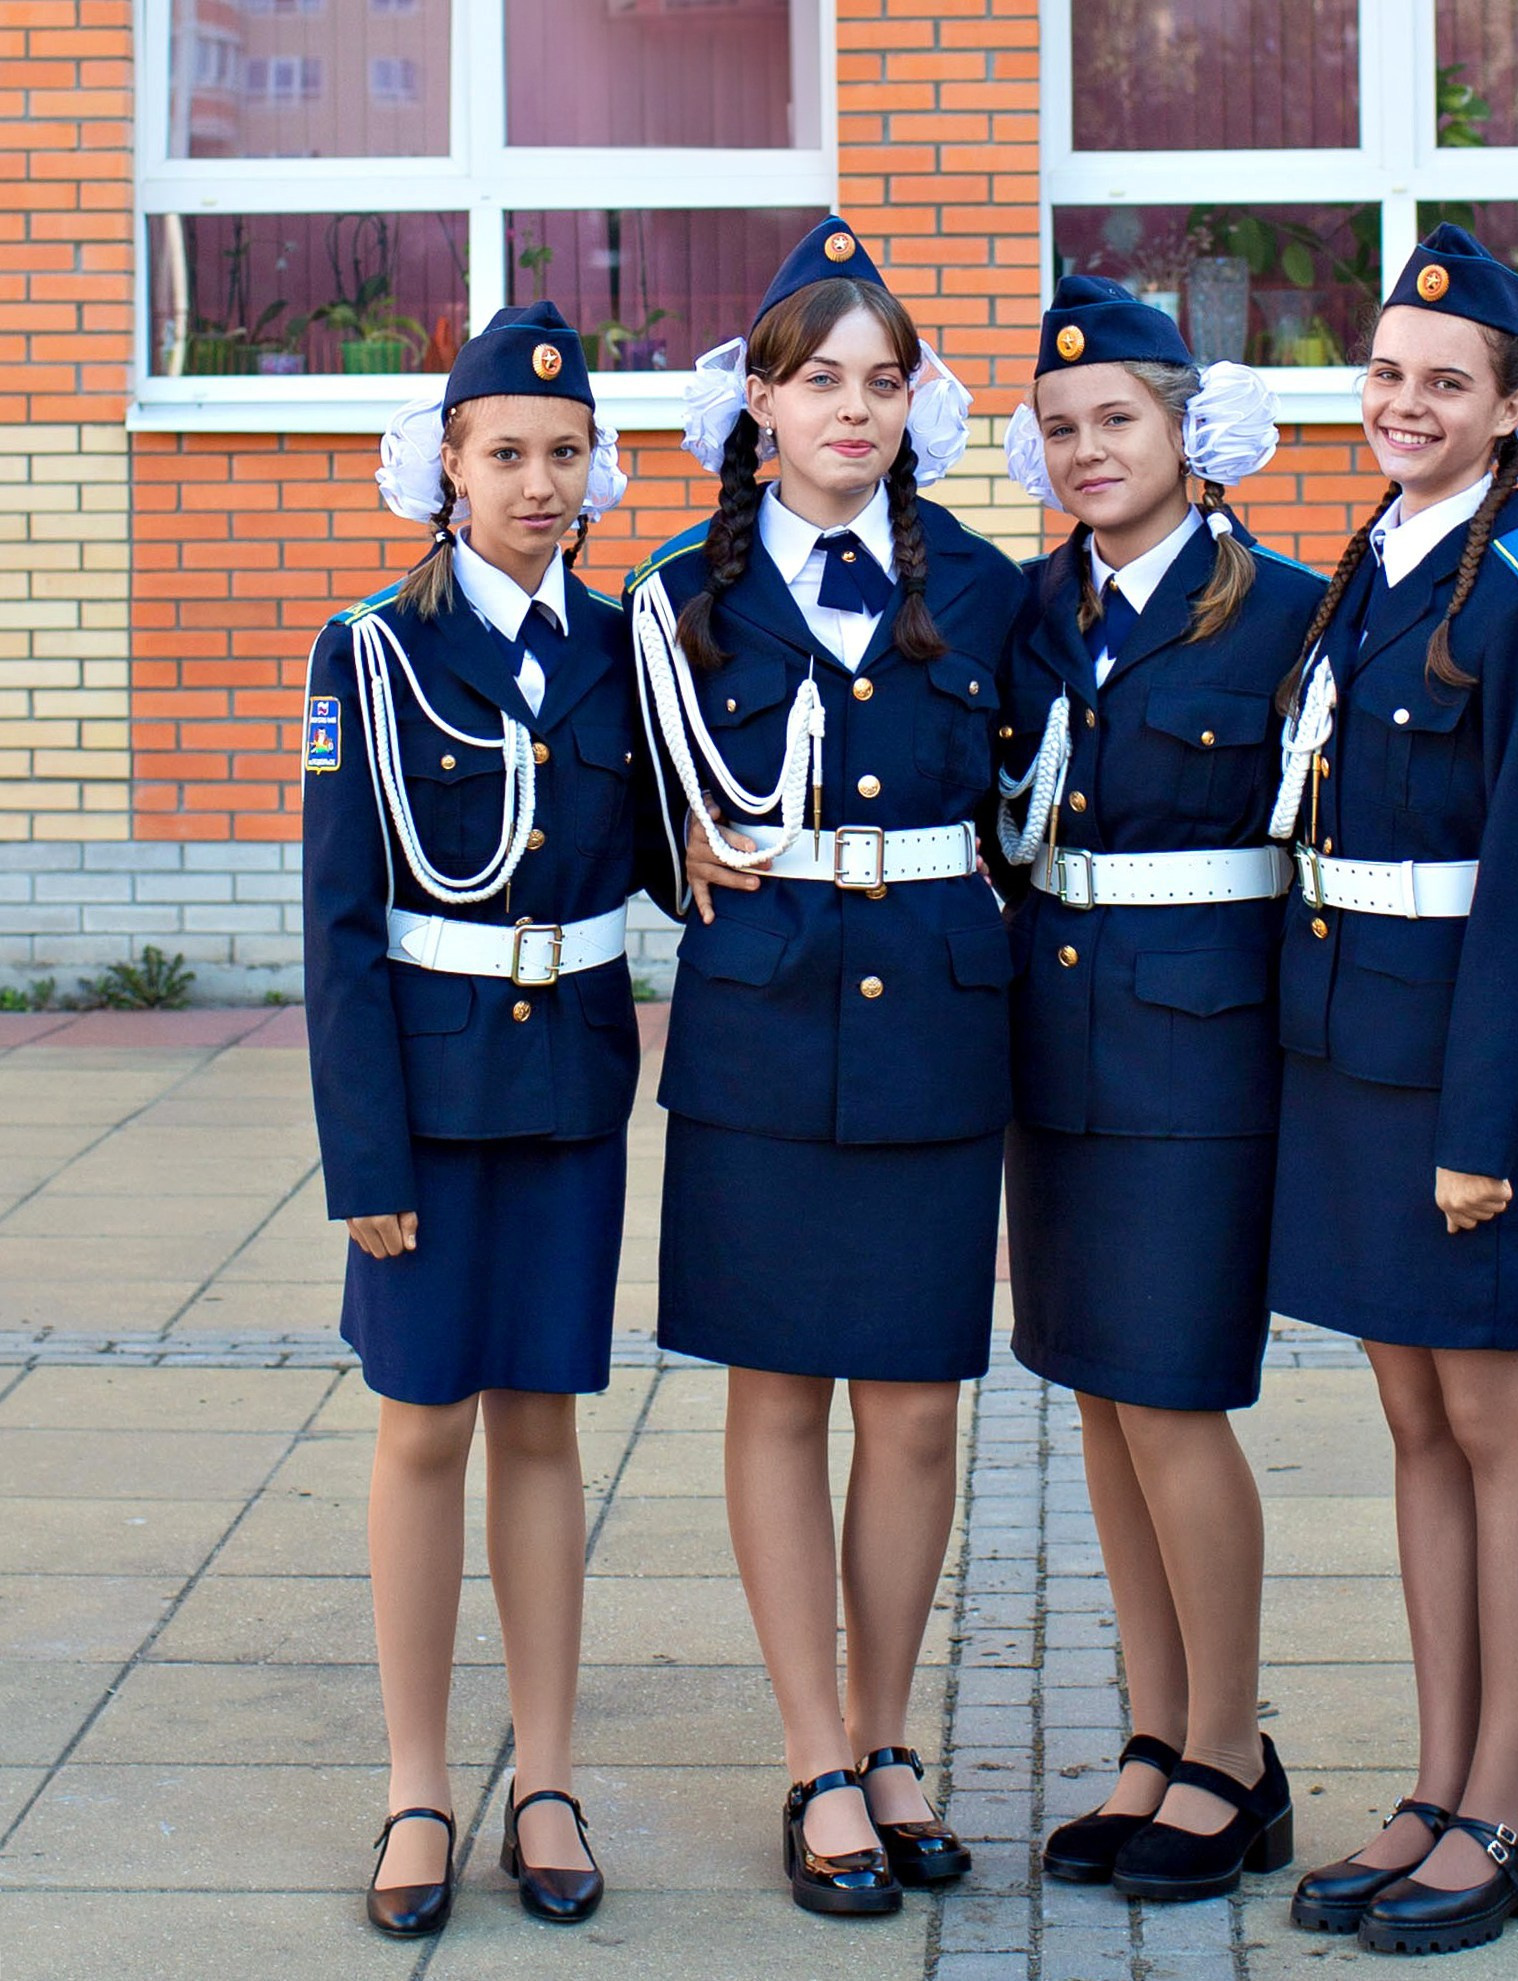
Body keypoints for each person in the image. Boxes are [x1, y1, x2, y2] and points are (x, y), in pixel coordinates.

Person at [623, 217, 1023, 1917]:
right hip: (762, 1027)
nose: (851, 409)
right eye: (818, 380)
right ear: (760, 402)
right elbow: (618, 803)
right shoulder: (673, 595)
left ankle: (889, 1734)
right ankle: (813, 1757)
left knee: (916, 1403)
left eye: (882, 381)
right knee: (777, 1392)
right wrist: (677, 854)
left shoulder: (991, 587)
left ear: (915, 402)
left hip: (935, 1018)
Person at [1267, 225, 1518, 1956]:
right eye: (1389, 373)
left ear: (1509, 406)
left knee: (1490, 1416)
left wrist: (1482, 1128)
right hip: (1352, 1048)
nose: (1405, 403)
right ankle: (1436, 1779)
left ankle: (1509, 1807)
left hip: (1455, 1071)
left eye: (1446, 383)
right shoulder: (1373, 565)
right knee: (1411, 1420)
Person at [303, 302, 659, 1936]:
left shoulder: (626, 646)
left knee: (541, 1423)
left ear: (596, 469)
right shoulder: (374, 650)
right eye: (505, 451)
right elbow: (338, 920)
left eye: (564, 452)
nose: (537, 482)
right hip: (430, 1098)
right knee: (422, 1424)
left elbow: (671, 843)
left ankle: (550, 1779)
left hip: (570, 1081)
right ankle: (416, 1782)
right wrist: (362, 1153)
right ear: (446, 462)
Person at [993, 276, 1321, 1902]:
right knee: (1101, 1399)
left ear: (1191, 433)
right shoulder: (1026, 609)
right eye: (1058, 427)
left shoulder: (1287, 610)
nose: (1085, 450)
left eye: (1114, 418)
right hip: (1055, 1044)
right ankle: (1154, 1731)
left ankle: (1232, 1754)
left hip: (1203, 1050)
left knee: (1176, 1401)